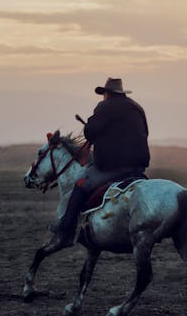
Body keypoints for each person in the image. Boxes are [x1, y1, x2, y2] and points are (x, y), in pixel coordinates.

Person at [50, 77, 150, 245]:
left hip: (113, 166)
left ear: (107, 93)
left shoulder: (105, 107)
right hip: (138, 166)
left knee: (81, 184)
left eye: (104, 93)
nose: (103, 97)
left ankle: (65, 229)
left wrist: (91, 123)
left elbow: (90, 132)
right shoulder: (137, 108)